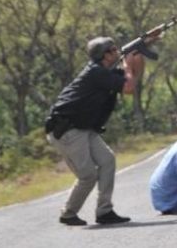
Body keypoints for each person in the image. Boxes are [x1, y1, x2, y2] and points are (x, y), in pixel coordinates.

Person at [45, 36, 146, 226]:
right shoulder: (96, 73)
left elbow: (132, 82)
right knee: (88, 176)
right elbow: (128, 86)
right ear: (105, 55)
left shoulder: (105, 73)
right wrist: (126, 65)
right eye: (113, 49)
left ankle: (104, 211)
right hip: (68, 129)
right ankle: (68, 213)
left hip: (83, 128)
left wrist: (138, 57)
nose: (117, 52)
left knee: (107, 160)